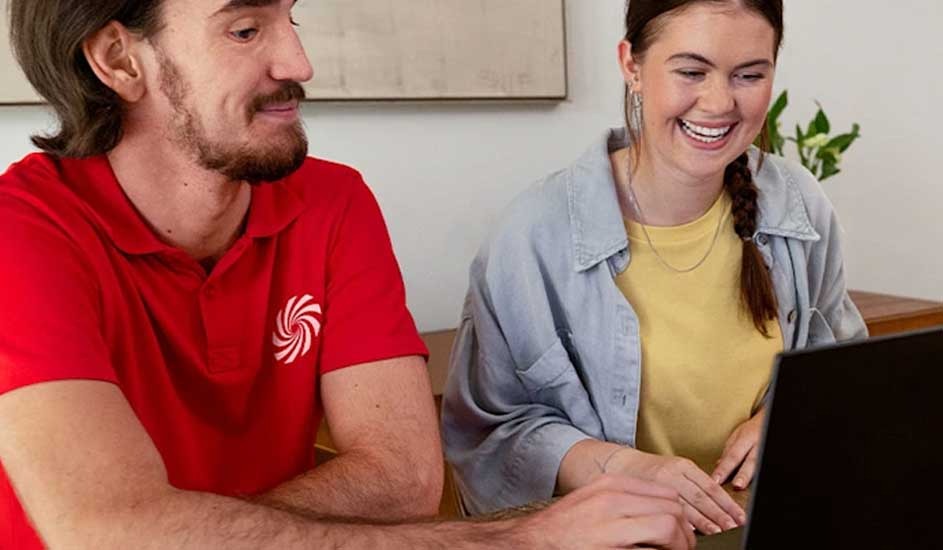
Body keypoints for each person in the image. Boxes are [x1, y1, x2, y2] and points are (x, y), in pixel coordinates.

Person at [0, 1, 694, 548]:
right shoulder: (23, 234)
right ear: (121, 60)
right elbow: (105, 533)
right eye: (245, 30)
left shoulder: (331, 203)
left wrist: (170, 528)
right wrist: (521, 537)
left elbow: (403, 481)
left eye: (289, 18)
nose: (298, 60)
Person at [442, 0, 867, 536]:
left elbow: (846, 377)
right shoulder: (531, 237)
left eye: (749, 74)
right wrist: (623, 469)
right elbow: (486, 435)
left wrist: (785, 417)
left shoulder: (800, 205)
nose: (718, 102)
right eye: (691, 71)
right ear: (632, 65)